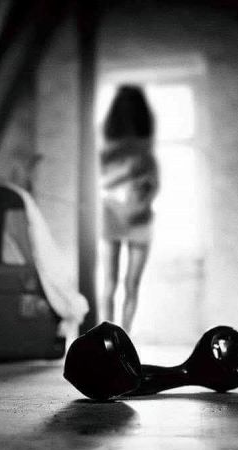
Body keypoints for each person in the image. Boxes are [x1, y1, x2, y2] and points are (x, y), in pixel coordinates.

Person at [99, 85, 159, 334]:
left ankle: (123, 334)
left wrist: (141, 199)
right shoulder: (111, 152)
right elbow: (103, 182)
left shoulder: (145, 154)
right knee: (112, 283)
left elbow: (154, 187)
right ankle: (109, 335)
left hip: (139, 219)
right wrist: (129, 172)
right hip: (114, 216)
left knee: (129, 284)